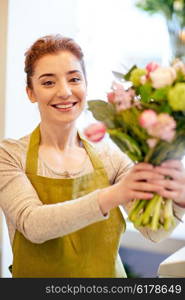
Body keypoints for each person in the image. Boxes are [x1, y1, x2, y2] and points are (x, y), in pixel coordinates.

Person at [0, 34, 185, 278]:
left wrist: (178, 201)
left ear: (85, 85)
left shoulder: (111, 156)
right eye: (48, 83)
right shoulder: (10, 155)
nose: (65, 92)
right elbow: (33, 225)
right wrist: (115, 194)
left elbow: (152, 232)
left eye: (74, 79)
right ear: (31, 92)